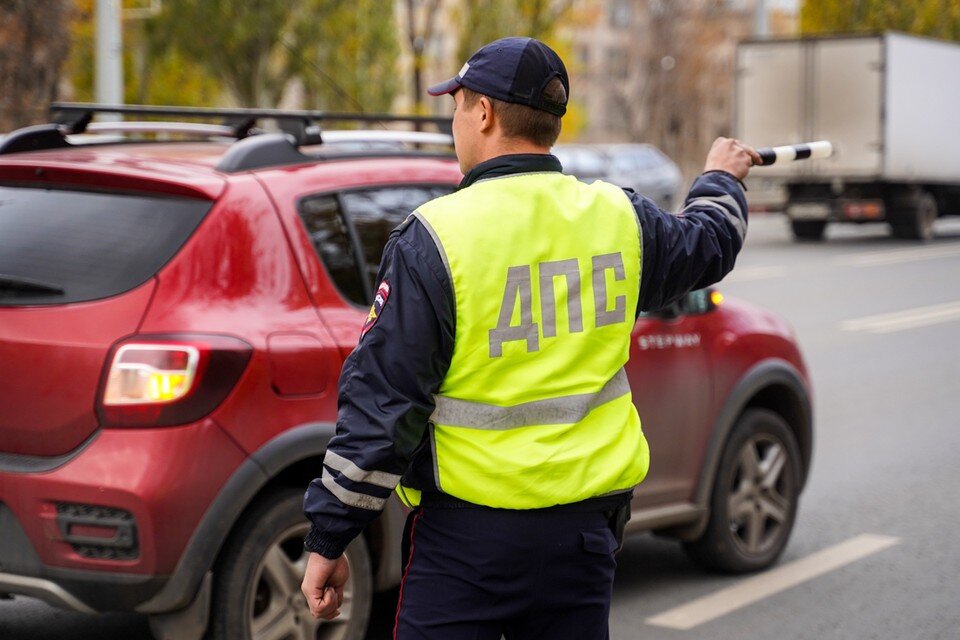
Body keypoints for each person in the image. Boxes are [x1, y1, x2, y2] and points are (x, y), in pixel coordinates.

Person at [301, 36, 761, 639]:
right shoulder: (618, 217)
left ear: (484, 113)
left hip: (468, 547)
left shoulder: (435, 238)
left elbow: (383, 409)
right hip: (584, 539)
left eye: (459, 105)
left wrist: (330, 537)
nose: (457, 121)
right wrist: (721, 179)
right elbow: (709, 244)